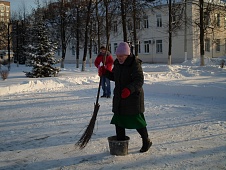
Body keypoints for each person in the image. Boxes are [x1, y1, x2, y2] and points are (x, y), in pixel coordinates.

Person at [98, 42, 152, 153]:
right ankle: (121, 143)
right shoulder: (117, 63)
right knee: (119, 120)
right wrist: (106, 73)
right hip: (119, 97)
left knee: (137, 121)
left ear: (127, 54)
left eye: (122, 56)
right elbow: (116, 77)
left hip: (133, 98)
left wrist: (129, 89)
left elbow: (139, 81)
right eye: (118, 56)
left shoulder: (135, 64)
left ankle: (146, 141)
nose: (119, 58)